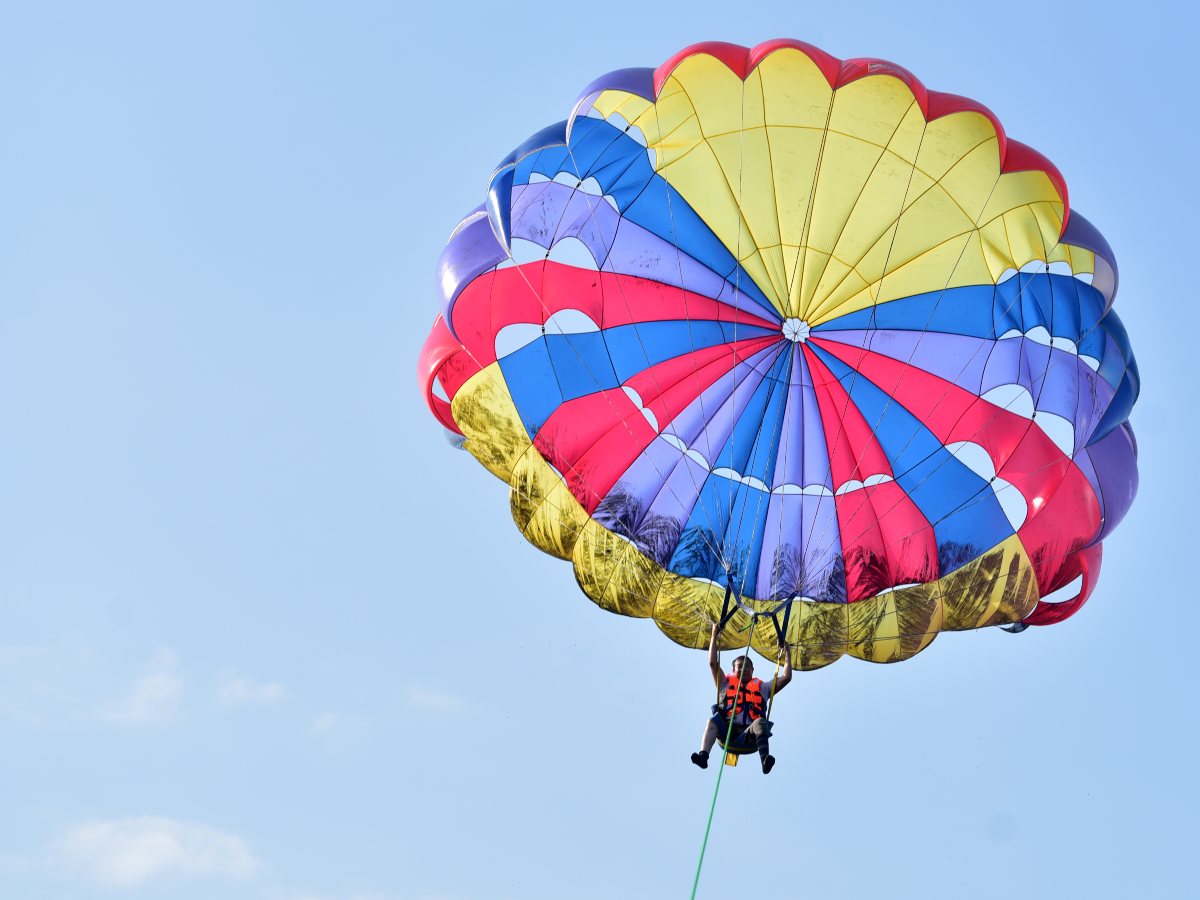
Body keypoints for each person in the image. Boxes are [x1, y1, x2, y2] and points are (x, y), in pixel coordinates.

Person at [690, 623, 792, 774]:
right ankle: (703, 756)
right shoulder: (724, 683)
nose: (743, 668)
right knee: (712, 721)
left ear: (753, 670)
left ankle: (765, 760)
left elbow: (786, 677)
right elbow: (712, 663)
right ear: (733, 670)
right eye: (739, 666)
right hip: (727, 732)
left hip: (749, 736)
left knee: (760, 722)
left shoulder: (762, 688)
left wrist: (787, 653)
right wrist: (714, 635)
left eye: (747, 666)